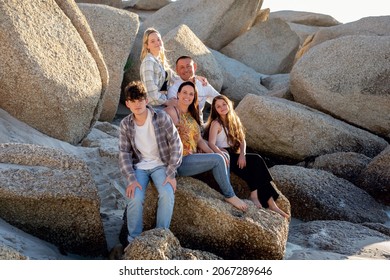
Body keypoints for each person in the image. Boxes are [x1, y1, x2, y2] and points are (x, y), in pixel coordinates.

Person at [164, 81, 248, 211]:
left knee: (223, 155)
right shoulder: (172, 111)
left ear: (194, 97)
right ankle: (229, 195)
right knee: (218, 158)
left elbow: (200, 141)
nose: (187, 96)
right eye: (184, 93)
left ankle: (227, 187)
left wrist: (215, 153)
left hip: (191, 158)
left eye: (191, 94)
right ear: (178, 94)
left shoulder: (192, 115)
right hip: (178, 161)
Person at [203, 95, 289, 219]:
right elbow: (211, 143)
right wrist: (220, 153)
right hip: (225, 155)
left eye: (224, 104)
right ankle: (260, 198)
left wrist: (242, 155)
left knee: (256, 165)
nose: (222, 108)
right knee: (256, 162)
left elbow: (242, 139)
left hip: (236, 153)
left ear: (229, 104)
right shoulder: (216, 123)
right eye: (218, 106)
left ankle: (271, 204)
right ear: (215, 109)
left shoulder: (234, 119)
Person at [118, 81, 183, 244]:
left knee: (167, 193)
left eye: (140, 100)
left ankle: (161, 235)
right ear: (127, 104)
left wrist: (171, 172)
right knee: (134, 197)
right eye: (132, 101)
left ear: (146, 100)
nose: (137, 104)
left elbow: (176, 143)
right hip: (140, 166)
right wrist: (131, 179)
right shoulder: (125, 124)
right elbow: (124, 153)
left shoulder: (161, 117)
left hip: (161, 164)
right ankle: (134, 239)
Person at [140, 28, 206, 107]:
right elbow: (151, 92)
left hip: (163, 104)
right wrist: (167, 102)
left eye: (158, 39)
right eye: (152, 41)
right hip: (154, 108)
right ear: (147, 46)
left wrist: (194, 77)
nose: (157, 43)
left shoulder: (159, 62)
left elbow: (176, 78)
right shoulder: (148, 62)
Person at [167, 55, 220, 123]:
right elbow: (172, 109)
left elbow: (219, 99)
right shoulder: (174, 89)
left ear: (194, 67)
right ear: (177, 70)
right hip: (181, 125)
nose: (186, 70)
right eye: (182, 67)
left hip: (199, 124)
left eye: (188, 66)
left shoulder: (203, 84)